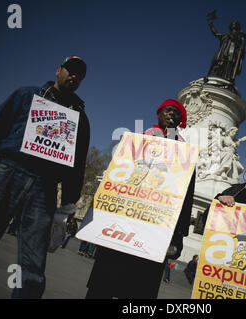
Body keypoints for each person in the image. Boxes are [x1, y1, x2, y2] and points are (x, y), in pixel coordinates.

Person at [0, 56, 90, 299]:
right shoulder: (27, 96)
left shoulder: (80, 119)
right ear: (58, 70)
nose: (73, 76)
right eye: (70, 70)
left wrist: (70, 202)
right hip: (8, 173)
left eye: (79, 74)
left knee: (32, 267)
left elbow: (78, 165)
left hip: (45, 187)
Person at [85, 99, 195, 299]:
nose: (171, 114)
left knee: (140, 289)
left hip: (155, 229)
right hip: (122, 222)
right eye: (167, 110)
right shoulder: (136, 141)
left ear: (180, 120)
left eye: (176, 112)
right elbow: (115, 177)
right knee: (103, 284)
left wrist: (179, 235)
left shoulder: (185, 154)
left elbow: (186, 197)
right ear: (158, 114)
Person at [207, 11, 246, 83]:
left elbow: (242, 49)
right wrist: (210, 24)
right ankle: (212, 80)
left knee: (228, 71)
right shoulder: (225, 36)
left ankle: (227, 81)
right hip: (221, 56)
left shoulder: (239, 38)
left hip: (231, 57)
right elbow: (216, 33)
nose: (233, 30)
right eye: (232, 28)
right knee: (216, 67)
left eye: (235, 29)